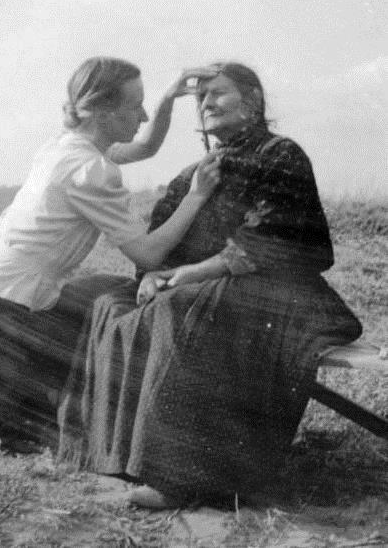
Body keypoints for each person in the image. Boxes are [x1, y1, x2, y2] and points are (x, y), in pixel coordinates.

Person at [57, 61, 362, 507]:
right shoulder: (196, 171)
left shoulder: (281, 154)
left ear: (253, 100)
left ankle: (180, 479)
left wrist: (188, 276)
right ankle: (113, 454)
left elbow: (279, 241)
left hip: (280, 292)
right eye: (200, 98)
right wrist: (152, 276)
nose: (206, 103)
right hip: (211, 288)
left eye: (218, 93)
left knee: (192, 307)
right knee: (108, 300)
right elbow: (164, 234)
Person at [0, 57, 221, 451]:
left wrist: (170, 97)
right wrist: (196, 195)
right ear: (104, 113)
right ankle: (1, 405)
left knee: (109, 293)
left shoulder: (66, 146)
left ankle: (13, 396)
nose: (143, 116)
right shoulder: (91, 170)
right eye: (134, 107)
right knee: (101, 349)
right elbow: (148, 255)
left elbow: (145, 146)